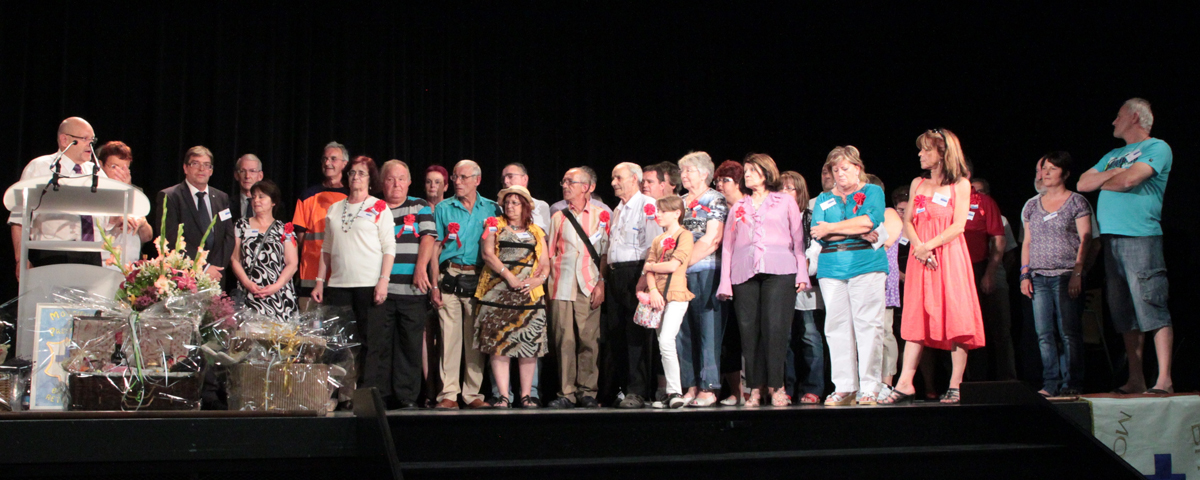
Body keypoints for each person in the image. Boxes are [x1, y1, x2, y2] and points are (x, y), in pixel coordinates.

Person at [1077, 98, 1174, 395]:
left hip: (1140, 237)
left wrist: (1104, 179)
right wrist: (1111, 175)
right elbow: (1082, 184)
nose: (1113, 121)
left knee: (1152, 305)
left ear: (1134, 117)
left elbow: (1129, 181)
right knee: (1123, 313)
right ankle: (1136, 378)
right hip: (1111, 240)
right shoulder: (1113, 154)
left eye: (1118, 115)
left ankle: (1164, 379)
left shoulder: (1156, 147)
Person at [881, 128, 985, 405]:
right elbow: (908, 222)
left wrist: (929, 246)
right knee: (916, 316)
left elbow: (959, 225)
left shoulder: (960, 185)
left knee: (955, 315)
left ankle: (955, 384)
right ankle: (905, 383)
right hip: (920, 259)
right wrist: (920, 248)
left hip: (948, 257)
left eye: (926, 149)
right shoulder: (918, 183)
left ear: (943, 153)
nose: (920, 154)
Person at [716, 154, 809, 407]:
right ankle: (755, 388)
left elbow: (798, 240)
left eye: (753, 170)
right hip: (744, 272)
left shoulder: (785, 201)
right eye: (746, 170)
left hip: (780, 270)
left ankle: (776, 386)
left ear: (767, 173)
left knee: (775, 330)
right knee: (749, 332)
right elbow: (728, 247)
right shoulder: (739, 205)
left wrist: (802, 272)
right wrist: (725, 282)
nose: (747, 174)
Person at [312, 156, 396, 408]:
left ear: (370, 179)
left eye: (361, 173)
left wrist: (383, 281)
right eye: (352, 173)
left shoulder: (379, 206)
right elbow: (327, 248)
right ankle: (342, 395)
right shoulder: (335, 208)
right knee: (339, 343)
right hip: (338, 285)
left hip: (368, 284)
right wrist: (319, 281)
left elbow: (389, 247)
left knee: (370, 343)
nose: (356, 177)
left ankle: (365, 397)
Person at [810, 147, 888, 406]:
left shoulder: (872, 191)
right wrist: (855, 230)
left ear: (857, 168)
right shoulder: (823, 198)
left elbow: (869, 221)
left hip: (866, 265)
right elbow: (818, 233)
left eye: (845, 168)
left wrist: (833, 228)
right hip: (831, 267)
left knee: (868, 326)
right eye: (835, 170)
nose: (840, 174)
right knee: (836, 328)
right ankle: (845, 387)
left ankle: (870, 387)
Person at [425, 160, 501, 409]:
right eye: (455, 177)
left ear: (477, 180)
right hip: (449, 276)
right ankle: (448, 394)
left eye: (463, 177)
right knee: (449, 339)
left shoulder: (492, 208)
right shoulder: (443, 208)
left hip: (478, 279)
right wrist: (434, 284)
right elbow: (435, 247)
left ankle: (472, 394)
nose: (457, 182)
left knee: (474, 339)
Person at [1020, 151, 1092, 397]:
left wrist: (1078, 273)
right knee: (1044, 334)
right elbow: (1027, 242)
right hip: (1039, 277)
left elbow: (1086, 238)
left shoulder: (1077, 202)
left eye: (1053, 168)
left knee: (1069, 332)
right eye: (1044, 169)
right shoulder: (1032, 205)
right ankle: (1050, 382)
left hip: (1066, 275)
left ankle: (1072, 382)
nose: (1046, 173)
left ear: (1066, 173)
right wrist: (1024, 274)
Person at [473, 185, 550, 408]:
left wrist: (538, 280)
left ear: (525, 207)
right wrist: (509, 276)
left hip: (528, 296)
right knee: (499, 344)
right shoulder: (494, 224)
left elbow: (545, 263)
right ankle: (504, 396)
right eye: (507, 203)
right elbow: (488, 254)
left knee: (529, 344)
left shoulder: (536, 231)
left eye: (515, 203)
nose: (510, 206)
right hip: (498, 293)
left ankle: (526, 395)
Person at [9, 117, 110, 275]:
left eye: (92, 140)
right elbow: (19, 218)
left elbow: (108, 217)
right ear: (64, 140)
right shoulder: (40, 168)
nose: (90, 145)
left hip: (92, 254)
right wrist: (21, 259)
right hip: (53, 253)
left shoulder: (96, 172)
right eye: (84, 139)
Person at [546, 167, 610, 408]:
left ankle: (587, 392)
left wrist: (601, 283)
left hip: (589, 283)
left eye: (570, 182)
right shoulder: (558, 217)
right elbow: (549, 254)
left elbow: (605, 254)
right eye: (563, 182)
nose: (565, 186)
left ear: (586, 187)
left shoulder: (602, 216)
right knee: (564, 340)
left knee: (588, 339)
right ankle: (566, 393)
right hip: (561, 285)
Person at [376, 160, 435, 410]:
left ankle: (407, 397)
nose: (396, 184)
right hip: (380, 290)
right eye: (390, 179)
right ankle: (382, 396)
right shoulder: (374, 208)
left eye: (401, 179)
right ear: (382, 183)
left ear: (409, 182)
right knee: (381, 345)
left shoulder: (419, 205)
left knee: (410, 345)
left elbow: (429, 237)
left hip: (412, 289)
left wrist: (421, 267)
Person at [607, 162, 664, 409]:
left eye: (618, 178)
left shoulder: (647, 205)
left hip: (636, 271)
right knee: (616, 331)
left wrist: (644, 277)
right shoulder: (617, 209)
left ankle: (638, 391)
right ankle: (622, 387)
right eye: (613, 178)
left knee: (635, 334)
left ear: (634, 179)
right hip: (615, 273)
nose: (613, 183)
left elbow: (653, 246)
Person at [675, 152, 728, 407]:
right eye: (682, 171)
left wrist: (680, 263)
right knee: (683, 331)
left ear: (705, 173)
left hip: (706, 270)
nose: (683, 175)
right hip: (679, 273)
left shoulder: (715, 199)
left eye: (689, 170)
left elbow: (712, 239)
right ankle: (690, 385)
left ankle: (709, 387)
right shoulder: (679, 202)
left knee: (709, 329)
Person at [634, 195, 694, 409]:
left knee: (667, 340)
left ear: (677, 213)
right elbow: (648, 269)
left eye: (663, 211)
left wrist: (650, 267)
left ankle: (676, 391)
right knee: (662, 343)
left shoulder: (685, 235)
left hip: (676, 294)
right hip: (658, 297)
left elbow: (672, 266)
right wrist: (652, 290)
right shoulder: (657, 239)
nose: (658, 215)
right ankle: (671, 392)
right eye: (657, 211)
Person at [962, 159, 1015, 382]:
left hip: (981, 268)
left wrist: (990, 274)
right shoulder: (945, 202)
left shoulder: (984, 202)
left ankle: (1007, 381)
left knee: (998, 328)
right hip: (958, 274)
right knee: (967, 331)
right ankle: (972, 383)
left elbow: (1000, 241)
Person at [154, 146, 237, 282]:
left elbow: (228, 236)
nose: (201, 169)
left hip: (216, 276)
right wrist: (203, 268)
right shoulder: (170, 197)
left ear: (211, 171)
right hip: (184, 277)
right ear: (185, 168)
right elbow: (171, 239)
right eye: (195, 164)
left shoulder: (221, 197)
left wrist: (215, 269)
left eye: (206, 165)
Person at [781, 170, 824, 405]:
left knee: (810, 335)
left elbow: (815, 249)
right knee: (783, 338)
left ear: (800, 192)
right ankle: (786, 387)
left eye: (790, 188)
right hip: (780, 283)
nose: (785, 192)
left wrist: (802, 270)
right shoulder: (773, 218)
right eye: (781, 188)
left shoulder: (810, 217)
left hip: (806, 284)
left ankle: (813, 387)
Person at [229, 179, 299, 319]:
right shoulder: (241, 225)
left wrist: (277, 286)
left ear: (273, 202)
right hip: (250, 293)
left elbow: (292, 263)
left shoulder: (284, 229)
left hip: (279, 296)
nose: (256, 201)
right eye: (254, 197)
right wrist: (247, 283)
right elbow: (234, 259)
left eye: (261, 197)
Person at [292, 142, 350, 308]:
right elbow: (300, 237)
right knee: (309, 320)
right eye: (325, 159)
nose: (327, 163)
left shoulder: (351, 197)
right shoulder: (308, 195)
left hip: (341, 273)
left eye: (333, 159)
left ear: (344, 164)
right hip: (311, 272)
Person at [712, 159, 747, 405]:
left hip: (745, 275)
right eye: (717, 181)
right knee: (725, 336)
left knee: (742, 334)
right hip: (720, 275)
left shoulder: (748, 206)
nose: (720, 185)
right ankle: (732, 390)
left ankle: (751, 389)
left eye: (726, 180)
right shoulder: (718, 208)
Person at [867, 174, 903, 397]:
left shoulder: (889, 213)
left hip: (883, 281)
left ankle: (886, 383)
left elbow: (883, 243)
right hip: (860, 279)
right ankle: (866, 382)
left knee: (885, 332)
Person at [96, 141, 152, 268]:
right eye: (114, 167)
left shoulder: (136, 194)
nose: (119, 173)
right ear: (101, 165)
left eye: (124, 168)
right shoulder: (94, 194)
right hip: (105, 264)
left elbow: (147, 237)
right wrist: (117, 219)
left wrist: (142, 224)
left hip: (131, 265)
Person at [501, 163, 552, 231]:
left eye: (510, 176)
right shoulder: (498, 206)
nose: (505, 181)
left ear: (525, 179)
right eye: (503, 178)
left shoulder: (539, 206)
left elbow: (539, 233)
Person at [231, 154, 264, 224]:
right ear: (236, 175)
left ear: (260, 176)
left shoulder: (273, 206)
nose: (247, 176)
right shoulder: (227, 204)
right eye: (243, 171)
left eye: (252, 171)